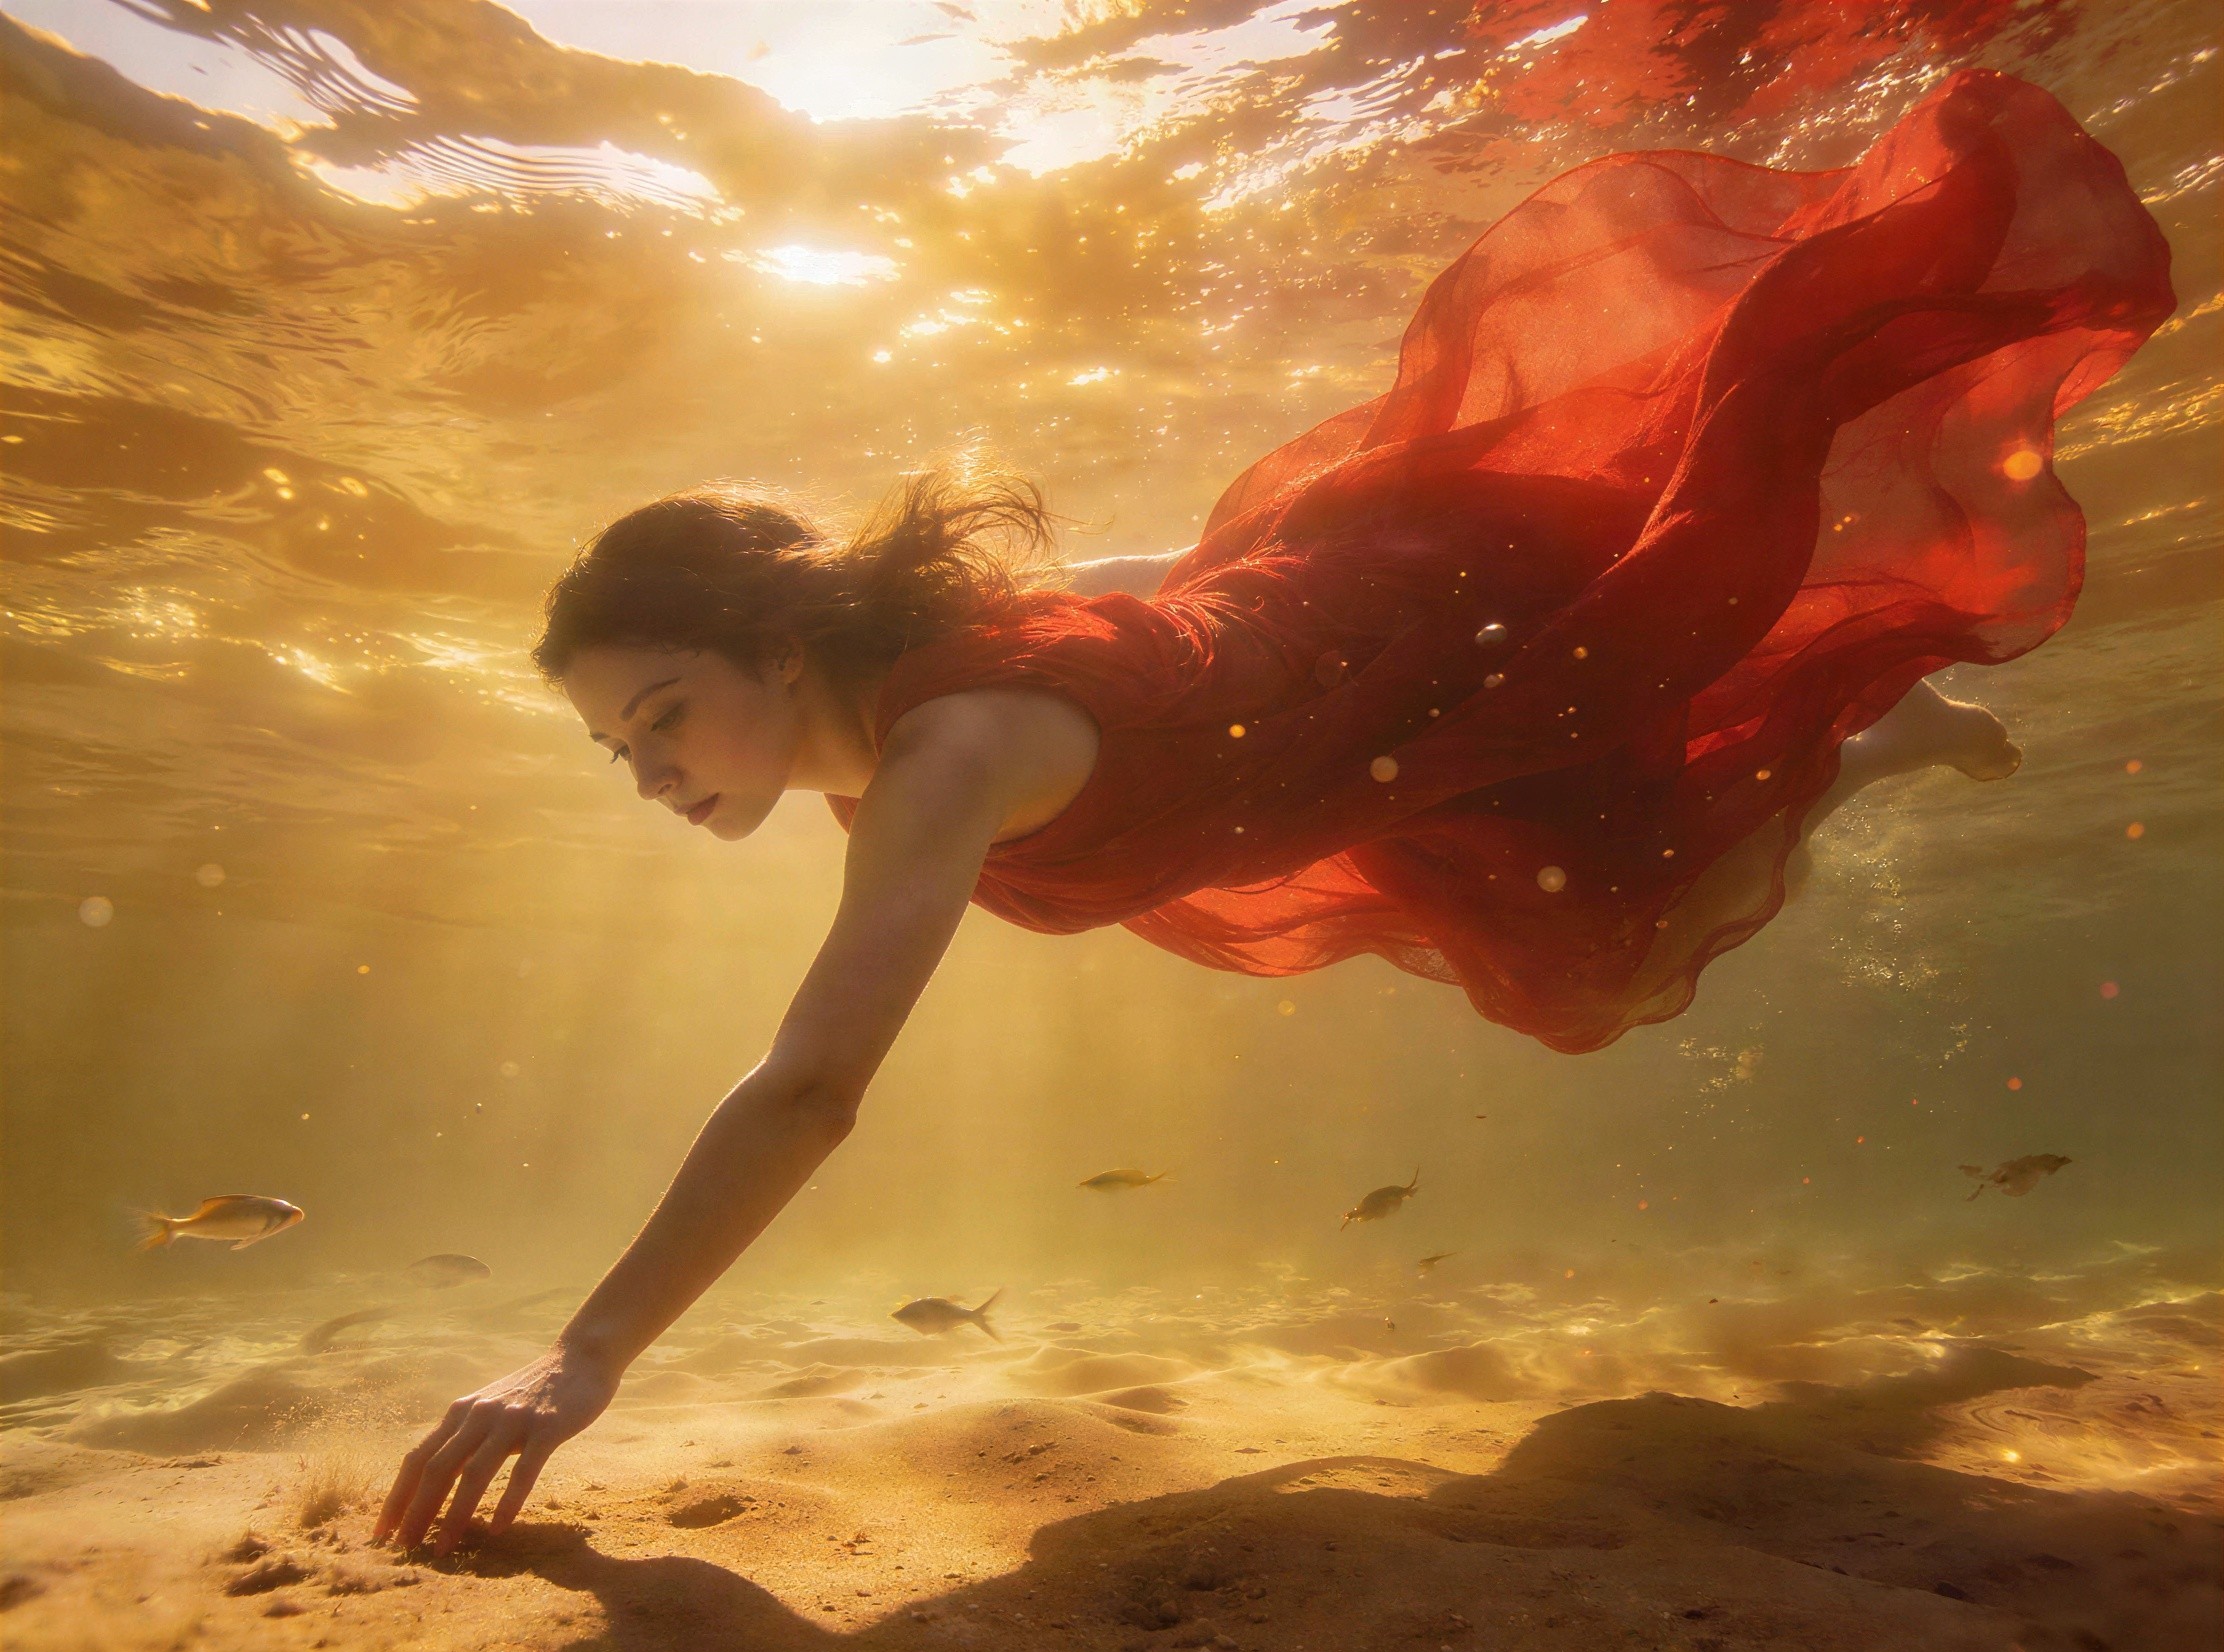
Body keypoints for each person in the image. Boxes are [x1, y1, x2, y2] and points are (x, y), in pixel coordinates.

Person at [374, 67, 2172, 1555]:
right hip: (1327, 698)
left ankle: (1880, 738)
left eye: (664, 715)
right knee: (1602, 955)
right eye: (623, 751)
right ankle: (1867, 747)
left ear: (776, 643)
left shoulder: (946, 759)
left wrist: (584, 1353)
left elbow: (811, 1086)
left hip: (1420, 650)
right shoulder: (933, 702)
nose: (653, 771)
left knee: (1619, 937)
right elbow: (1149, 582)